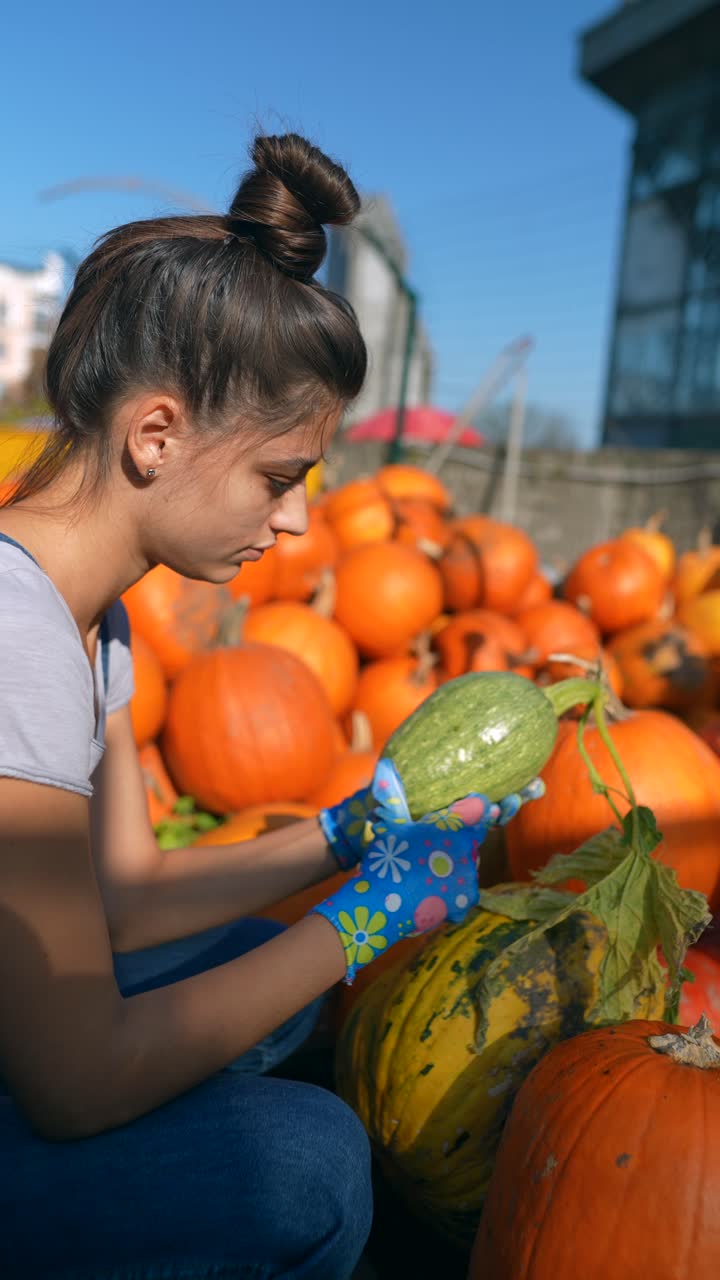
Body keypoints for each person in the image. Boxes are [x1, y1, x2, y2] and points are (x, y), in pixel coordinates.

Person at [0, 132, 543, 1279]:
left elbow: (127, 896)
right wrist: (358, 924)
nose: (295, 521)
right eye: (279, 478)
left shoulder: (89, 618)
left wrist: (352, 831)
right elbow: (74, 1082)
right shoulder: (15, 636)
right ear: (156, 434)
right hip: (44, 1068)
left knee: (260, 970)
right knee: (311, 1162)